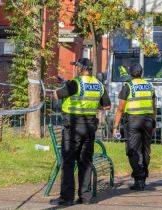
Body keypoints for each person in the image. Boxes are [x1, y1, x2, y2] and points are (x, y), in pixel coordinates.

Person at [50, 58, 111, 206]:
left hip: (73, 129)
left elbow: (57, 95)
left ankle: (66, 198)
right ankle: (85, 197)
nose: (75, 68)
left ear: (81, 68)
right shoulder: (99, 85)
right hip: (90, 128)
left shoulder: (75, 83)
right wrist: (92, 108)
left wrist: (56, 90)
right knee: (85, 162)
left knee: (68, 162)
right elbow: (107, 106)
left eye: (76, 66)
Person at [113, 63, 156, 191]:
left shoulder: (128, 86)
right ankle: (143, 178)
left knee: (133, 150)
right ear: (141, 73)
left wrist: (115, 126)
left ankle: (138, 179)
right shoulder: (149, 86)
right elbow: (154, 106)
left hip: (133, 121)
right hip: (148, 120)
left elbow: (120, 109)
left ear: (130, 74)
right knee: (145, 150)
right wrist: (154, 122)